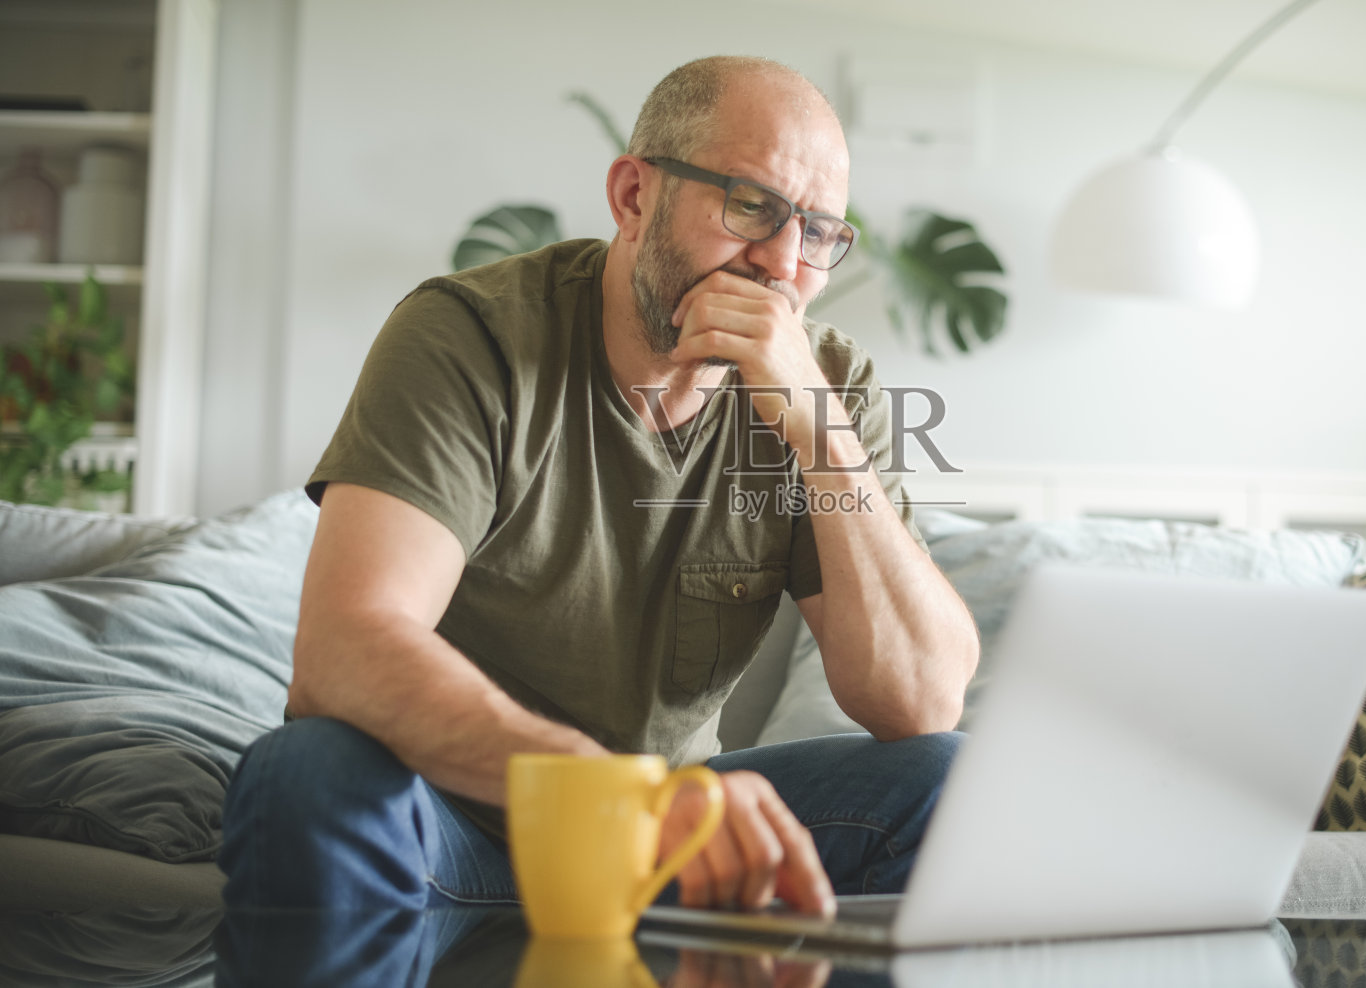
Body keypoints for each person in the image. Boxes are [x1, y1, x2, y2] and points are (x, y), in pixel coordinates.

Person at [218, 55, 980, 916]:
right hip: (446, 820)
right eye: (749, 206)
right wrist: (609, 793)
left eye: (817, 233)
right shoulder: (470, 337)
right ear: (633, 198)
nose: (780, 261)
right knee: (304, 774)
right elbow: (344, 650)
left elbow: (919, 703)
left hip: (671, 845)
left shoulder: (830, 381)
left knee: (947, 783)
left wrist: (818, 432)